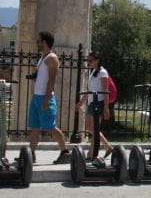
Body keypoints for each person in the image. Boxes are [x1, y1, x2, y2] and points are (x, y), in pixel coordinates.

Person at [26, 31, 71, 164]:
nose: (37, 43)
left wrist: (46, 99)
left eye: (38, 41)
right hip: (37, 97)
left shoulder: (52, 58)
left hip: (45, 97)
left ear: (44, 42)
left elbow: (52, 80)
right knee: (35, 127)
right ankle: (31, 154)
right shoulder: (43, 58)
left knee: (51, 126)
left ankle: (65, 152)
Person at [75, 51, 113, 157]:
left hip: (99, 102)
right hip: (92, 102)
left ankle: (91, 153)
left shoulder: (103, 72)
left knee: (95, 129)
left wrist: (106, 108)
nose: (89, 62)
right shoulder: (93, 72)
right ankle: (107, 147)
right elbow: (90, 90)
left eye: (91, 60)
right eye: (88, 60)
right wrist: (81, 102)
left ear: (97, 60)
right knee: (89, 127)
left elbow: (105, 91)